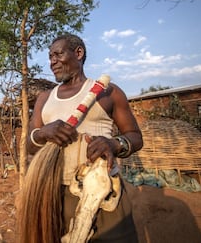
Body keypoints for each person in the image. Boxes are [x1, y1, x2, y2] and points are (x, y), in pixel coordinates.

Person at [27, 34, 143, 242]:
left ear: (78, 53)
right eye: (50, 56)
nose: (52, 61)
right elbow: (29, 145)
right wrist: (44, 133)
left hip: (104, 193)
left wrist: (113, 144)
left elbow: (135, 137)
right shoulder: (44, 99)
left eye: (58, 54)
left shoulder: (108, 92)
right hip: (57, 195)